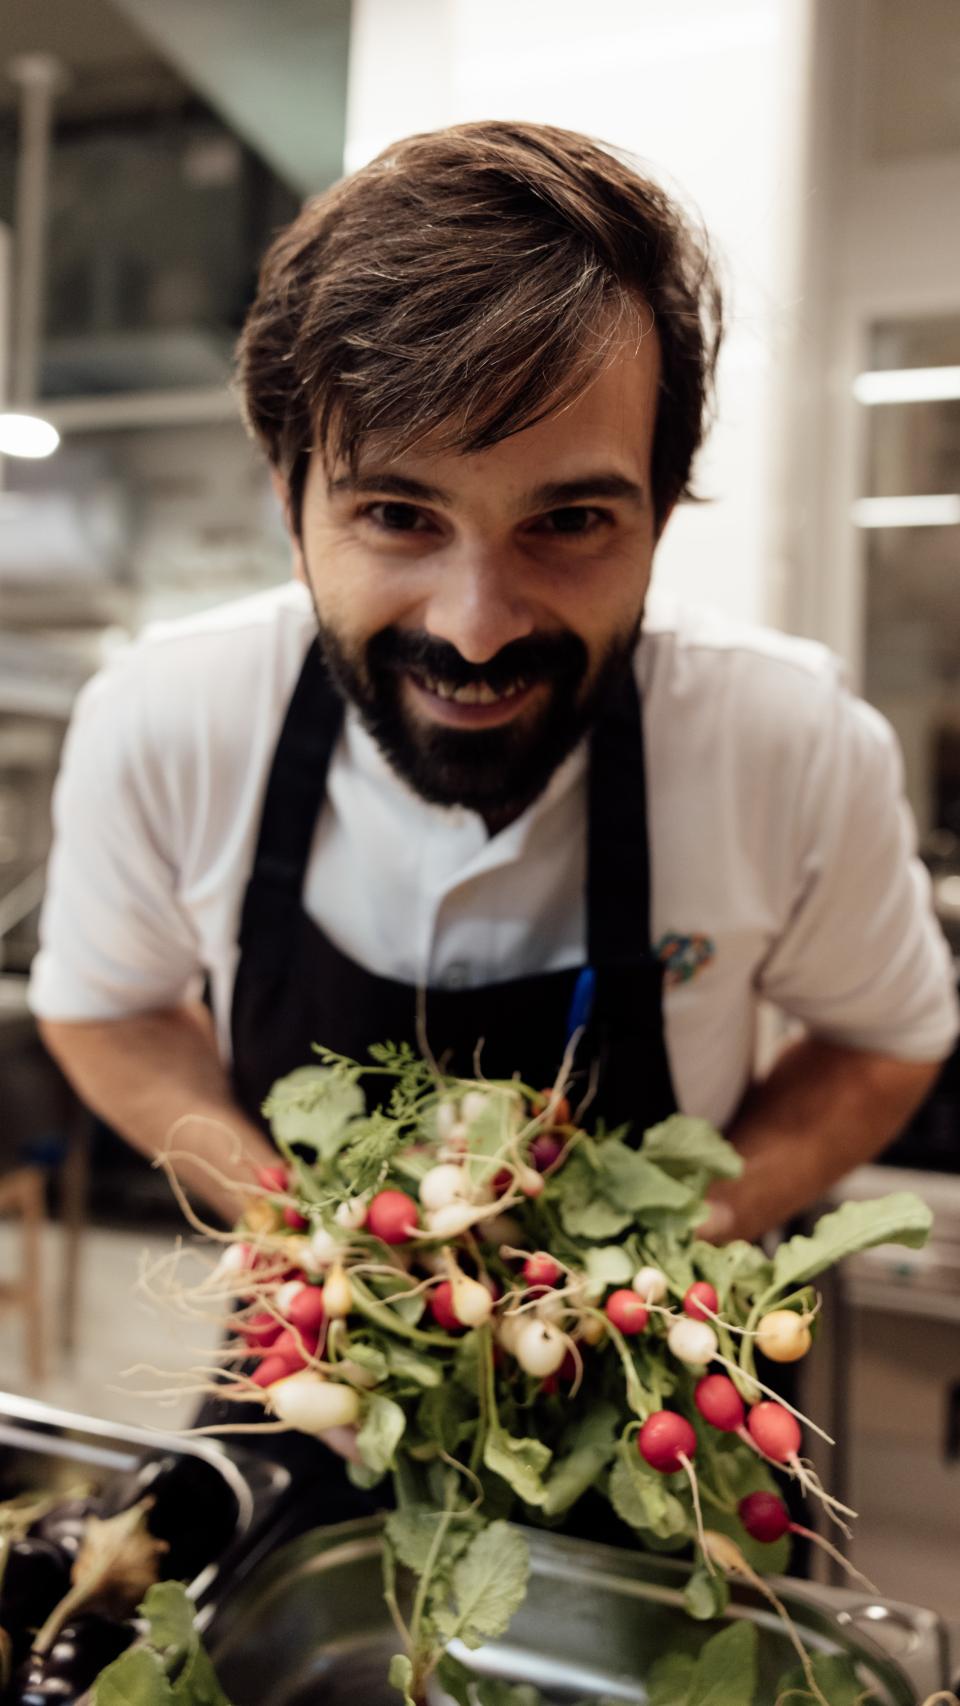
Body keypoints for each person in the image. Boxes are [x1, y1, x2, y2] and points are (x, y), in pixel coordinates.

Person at [32, 119, 957, 1263]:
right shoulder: (166, 719)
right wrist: (307, 1235)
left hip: (651, 1382)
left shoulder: (792, 744)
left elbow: (886, 1038)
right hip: (309, 1342)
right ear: (293, 510)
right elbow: (103, 1006)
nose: (475, 629)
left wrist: (683, 1242)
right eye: (397, 515)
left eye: (568, 522)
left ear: (660, 519)